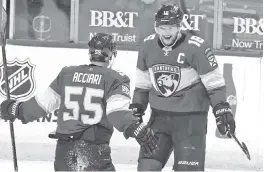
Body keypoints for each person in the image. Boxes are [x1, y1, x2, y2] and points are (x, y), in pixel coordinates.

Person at [0, 33, 158, 171]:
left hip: (63, 154)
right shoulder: (115, 78)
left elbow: (41, 105)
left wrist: (16, 109)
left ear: (90, 54)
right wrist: (137, 128)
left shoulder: (67, 73)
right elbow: (117, 112)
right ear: (112, 55)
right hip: (94, 152)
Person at [129, 4, 236, 171]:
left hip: (191, 122)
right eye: (162, 27)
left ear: (180, 26)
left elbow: (214, 84)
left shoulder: (197, 47)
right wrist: (137, 107)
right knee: (146, 168)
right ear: (156, 27)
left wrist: (222, 109)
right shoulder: (147, 46)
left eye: (171, 27)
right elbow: (143, 83)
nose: (166, 32)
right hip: (159, 120)